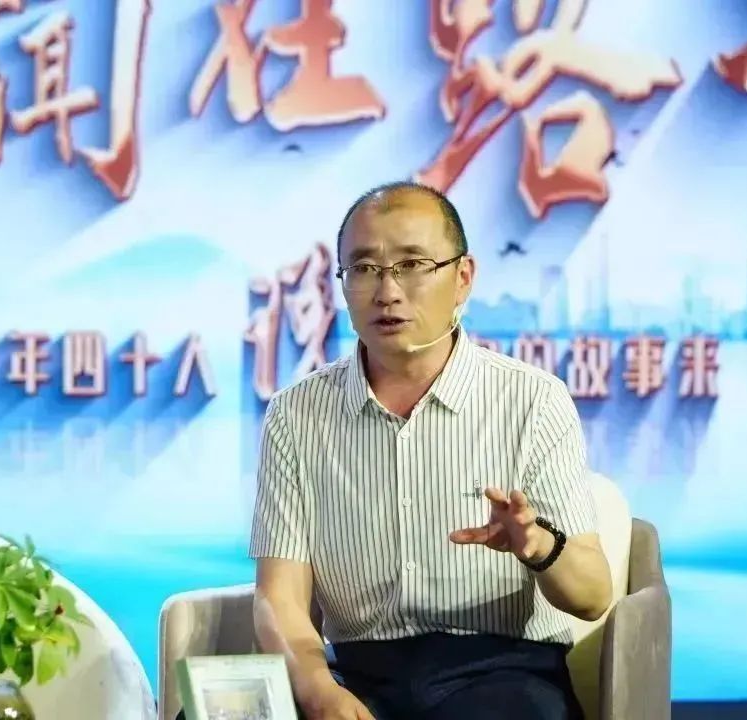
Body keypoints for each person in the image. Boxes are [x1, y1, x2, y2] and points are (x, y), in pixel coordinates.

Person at [249, 182, 612, 720]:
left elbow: (594, 596)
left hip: (501, 674)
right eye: (364, 268)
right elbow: (278, 598)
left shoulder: (533, 400)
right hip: (357, 675)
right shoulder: (295, 414)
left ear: (462, 278)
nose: (387, 291)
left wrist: (536, 543)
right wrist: (319, 693)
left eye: (413, 265)